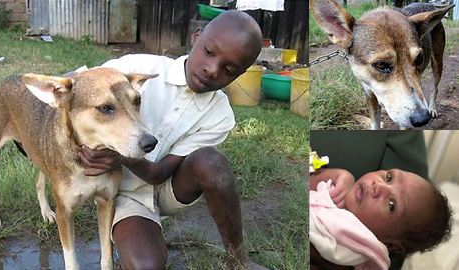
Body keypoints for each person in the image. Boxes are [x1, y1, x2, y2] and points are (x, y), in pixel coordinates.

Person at [77, 11, 267, 270]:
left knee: (212, 163)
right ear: (196, 37)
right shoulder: (140, 68)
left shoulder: (220, 115)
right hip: (124, 192)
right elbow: (75, 82)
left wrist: (121, 156)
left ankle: (239, 259)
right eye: (209, 53)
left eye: (229, 70)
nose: (212, 70)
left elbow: (159, 173)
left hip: (168, 187)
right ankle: (133, 233)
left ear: (240, 74)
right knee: (146, 266)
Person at [309, 167, 452, 270]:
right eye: (388, 178)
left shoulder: (349, 253)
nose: (378, 185)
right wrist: (339, 175)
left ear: (390, 245)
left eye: (391, 205)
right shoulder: (337, 187)